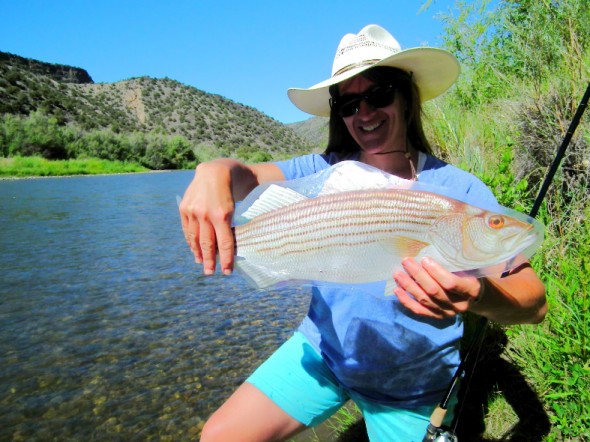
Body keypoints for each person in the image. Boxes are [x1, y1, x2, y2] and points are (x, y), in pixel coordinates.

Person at [179, 24, 547, 441]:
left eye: (379, 94)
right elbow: (245, 176)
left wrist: (480, 296)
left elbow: (533, 303)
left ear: (407, 97)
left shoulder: (458, 192)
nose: (365, 113)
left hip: (412, 388)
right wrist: (213, 172)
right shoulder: (320, 171)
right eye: (349, 103)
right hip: (323, 353)